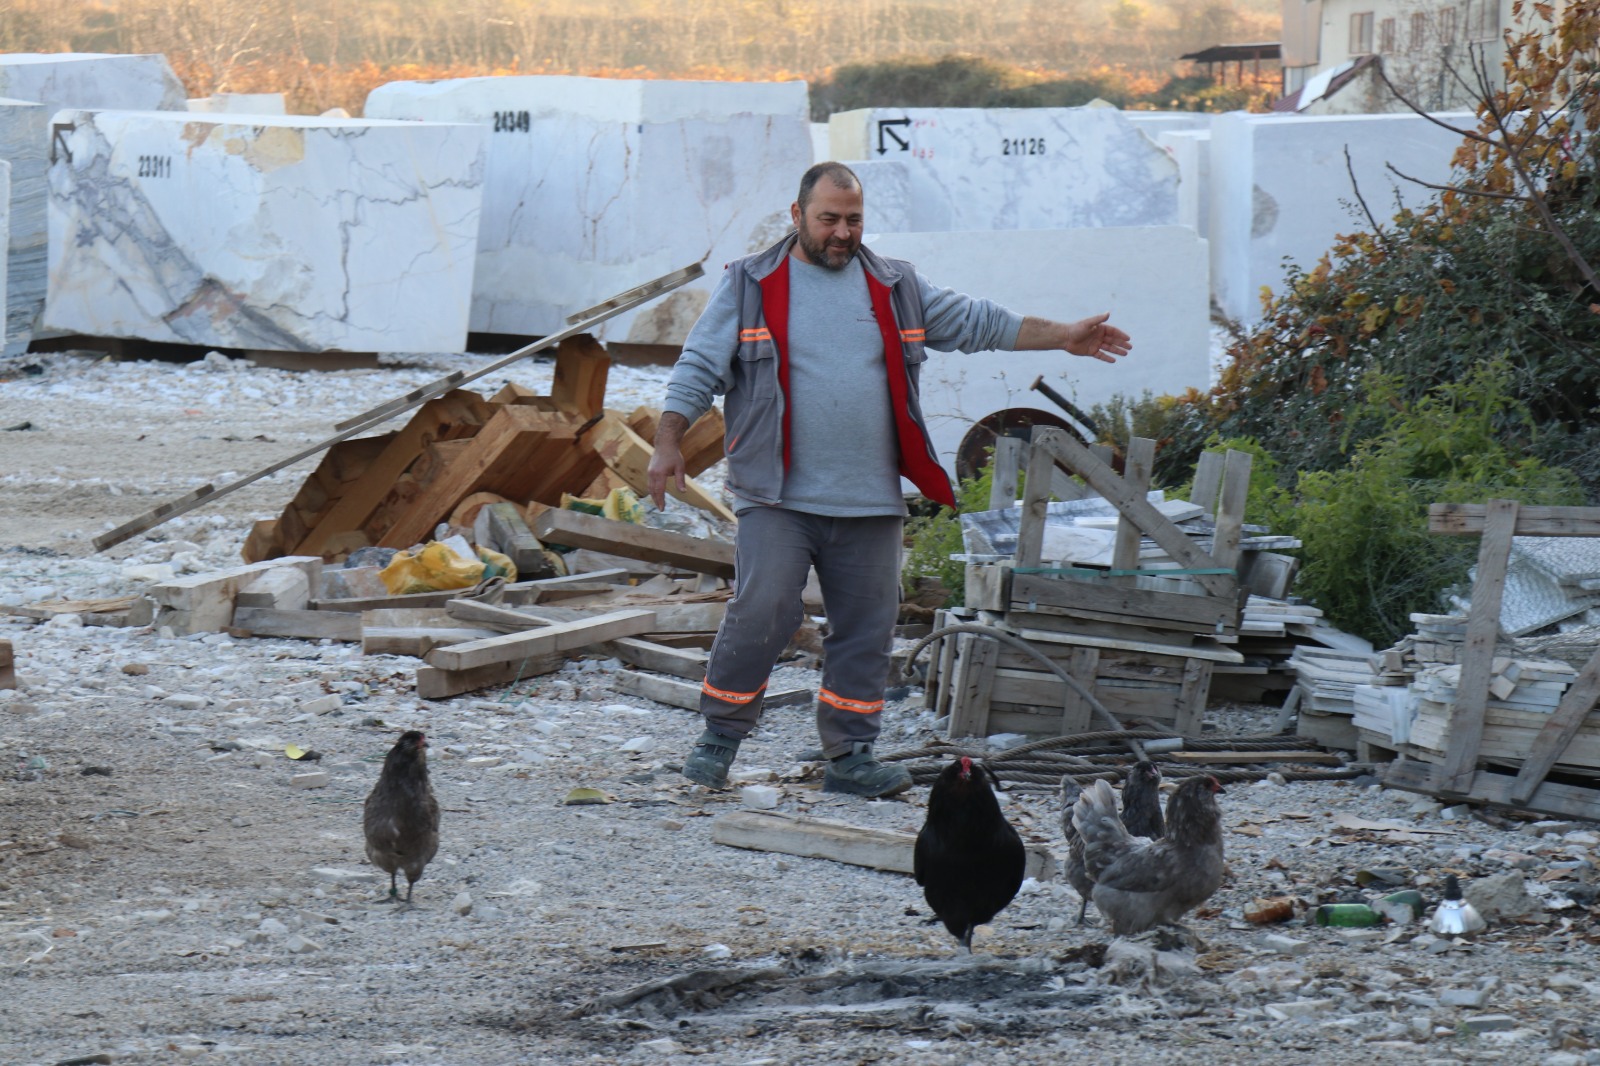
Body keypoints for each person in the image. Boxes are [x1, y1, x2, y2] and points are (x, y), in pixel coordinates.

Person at [646, 161, 1130, 798]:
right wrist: (666, 441)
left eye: (853, 220)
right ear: (797, 217)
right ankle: (719, 739)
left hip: (871, 498)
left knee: (868, 628)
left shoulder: (895, 285)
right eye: (829, 219)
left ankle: (850, 756)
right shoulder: (751, 285)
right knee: (762, 609)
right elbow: (699, 365)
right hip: (777, 494)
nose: (842, 232)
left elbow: (981, 322)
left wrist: (1063, 335)